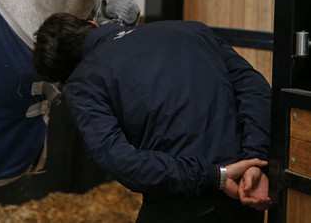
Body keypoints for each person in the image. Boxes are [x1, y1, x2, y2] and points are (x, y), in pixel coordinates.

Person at [32, 14, 272, 222]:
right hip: (247, 194)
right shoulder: (191, 29)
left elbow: (123, 162)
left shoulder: (81, 84)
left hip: (185, 205)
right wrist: (254, 159)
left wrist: (215, 177)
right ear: (93, 24)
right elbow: (254, 87)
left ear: (64, 78)